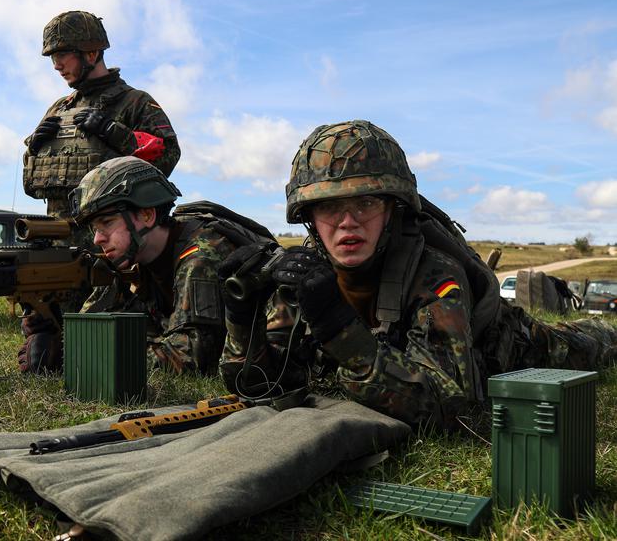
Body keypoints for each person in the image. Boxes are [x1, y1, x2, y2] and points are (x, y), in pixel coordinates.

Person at [219, 120, 617, 430]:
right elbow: (255, 384)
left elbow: (449, 405)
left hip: (512, 345)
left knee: (588, 344)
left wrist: (337, 326)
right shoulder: (307, 277)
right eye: (328, 208)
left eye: (367, 203)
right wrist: (242, 318)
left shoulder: (434, 274)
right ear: (308, 218)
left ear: (393, 209)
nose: (347, 223)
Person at [18, 156, 275, 375]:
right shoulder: (130, 258)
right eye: (95, 229)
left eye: (107, 223)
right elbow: (95, 323)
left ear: (147, 215)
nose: (97, 238)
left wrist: (74, 360)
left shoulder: (201, 255)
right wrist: (56, 336)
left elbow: (189, 359)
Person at [23, 10, 180, 228]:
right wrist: (33, 148)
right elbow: (32, 181)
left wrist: (112, 131)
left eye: (61, 55)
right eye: (52, 57)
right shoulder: (59, 108)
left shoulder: (135, 102)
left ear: (91, 54)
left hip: (114, 246)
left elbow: (169, 156)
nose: (56, 65)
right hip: (58, 238)